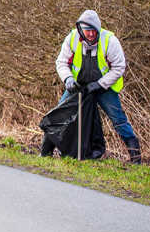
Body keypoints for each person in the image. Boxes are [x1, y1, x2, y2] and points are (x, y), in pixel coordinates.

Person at [46, 9, 140, 163]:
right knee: (59, 114)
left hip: (105, 88)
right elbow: (61, 62)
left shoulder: (110, 41)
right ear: (80, 30)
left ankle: (136, 158)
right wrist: (68, 79)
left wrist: (100, 84)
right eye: (87, 30)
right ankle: (46, 152)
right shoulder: (72, 39)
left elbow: (119, 67)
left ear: (98, 29)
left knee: (119, 120)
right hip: (78, 86)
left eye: (93, 30)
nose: (90, 34)